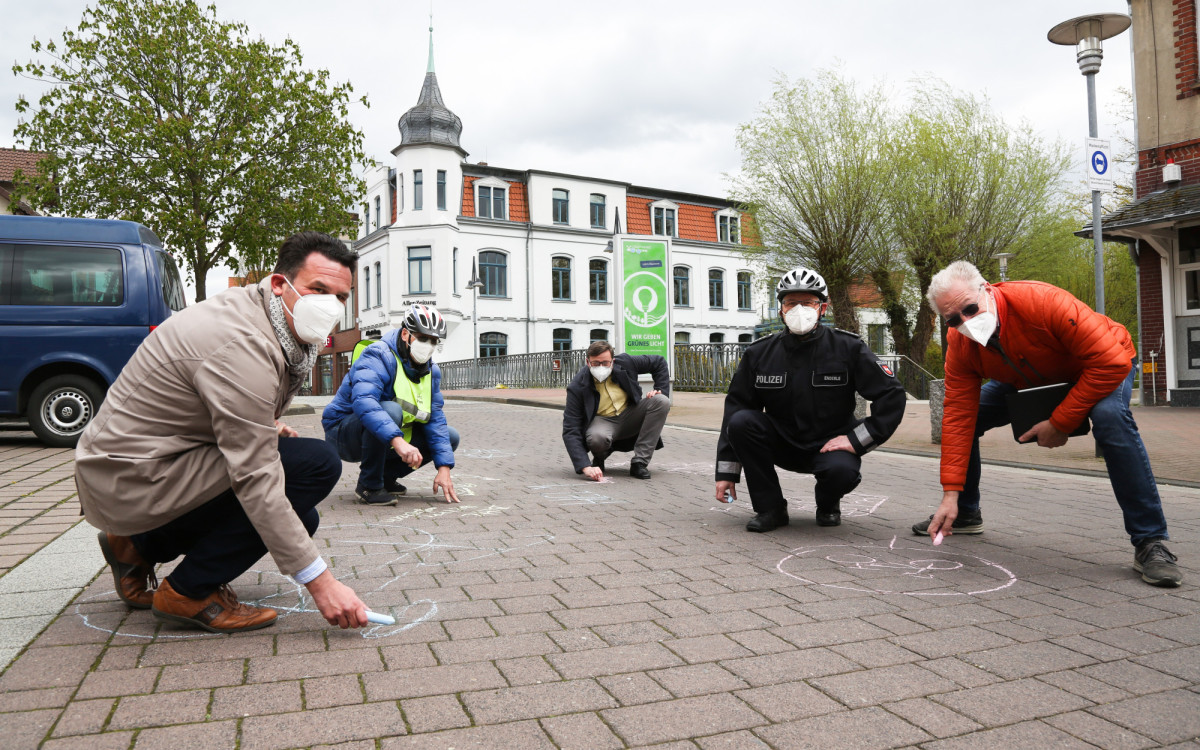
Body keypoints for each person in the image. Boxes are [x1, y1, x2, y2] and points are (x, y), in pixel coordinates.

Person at [76, 231, 369, 633]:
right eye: (317, 289)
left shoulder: (265, 316)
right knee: (316, 465)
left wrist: (261, 422)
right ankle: (187, 592)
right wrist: (322, 584)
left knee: (303, 517)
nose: (330, 305)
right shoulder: (243, 342)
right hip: (129, 476)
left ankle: (138, 546)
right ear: (279, 284)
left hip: (142, 463)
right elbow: (255, 476)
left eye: (340, 297)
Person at [917, 261, 1182, 587]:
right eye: (954, 319)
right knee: (968, 418)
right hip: (1028, 377)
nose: (966, 322)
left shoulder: (1043, 302)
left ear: (986, 289)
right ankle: (966, 512)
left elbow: (1110, 363)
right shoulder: (960, 343)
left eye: (970, 309)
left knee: (1110, 418)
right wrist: (950, 494)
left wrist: (1060, 422)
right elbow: (958, 416)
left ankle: (1150, 541)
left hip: (1099, 365)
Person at [715, 268, 906, 532]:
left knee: (842, 472)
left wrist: (856, 440)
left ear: (822, 308)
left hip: (831, 446)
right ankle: (771, 508)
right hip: (782, 443)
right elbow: (736, 408)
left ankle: (827, 503)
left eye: (807, 302)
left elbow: (891, 395)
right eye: (791, 303)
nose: (799, 309)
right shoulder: (759, 353)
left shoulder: (848, 348)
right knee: (741, 422)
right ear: (781, 309)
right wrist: (726, 473)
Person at [323, 304, 460, 506]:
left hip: (387, 434)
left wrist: (444, 467)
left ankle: (385, 478)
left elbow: (435, 418)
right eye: (423, 338)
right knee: (390, 410)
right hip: (344, 433)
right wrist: (398, 441)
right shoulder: (378, 355)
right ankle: (369, 486)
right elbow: (365, 402)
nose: (428, 345)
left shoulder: (432, 371)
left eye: (433, 341)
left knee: (450, 436)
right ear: (405, 334)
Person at [563, 341, 671, 480]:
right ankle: (600, 456)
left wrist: (660, 390)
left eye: (605, 363)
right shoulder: (577, 386)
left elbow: (659, 362)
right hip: (602, 421)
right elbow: (570, 429)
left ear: (613, 361)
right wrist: (585, 466)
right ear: (587, 362)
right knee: (596, 438)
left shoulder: (626, 362)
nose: (601, 367)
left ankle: (640, 462)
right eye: (595, 363)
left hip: (630, 413)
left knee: (661, 401)